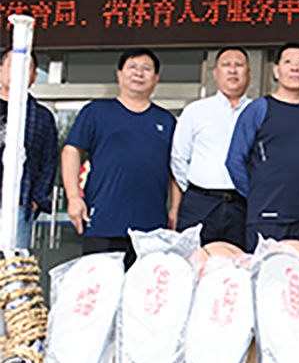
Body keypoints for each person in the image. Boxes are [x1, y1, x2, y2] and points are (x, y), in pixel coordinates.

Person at [62, 48, 178, 268]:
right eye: (132, 67)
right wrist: (73, 197)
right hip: (103, 222)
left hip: (151, 228)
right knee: (101, 286)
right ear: (119, 74)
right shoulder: (96, 111)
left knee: (145, 288)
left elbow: (175, 170)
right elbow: (71, 151)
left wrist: (175, 208)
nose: (139, 73)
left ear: (156, 78)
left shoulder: (166, 120)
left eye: (146, 69)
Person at [226, 42, 299, 252]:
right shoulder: (258, 109)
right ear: (276, 71)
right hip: (266, 216)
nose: (294, 67)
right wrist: (257, 194)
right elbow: (234, 161)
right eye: (288, 62)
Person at [171, 47, 251, 249]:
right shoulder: (196, 111)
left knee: (239, 261)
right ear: (215, 73)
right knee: (193, 260)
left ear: (249, 73)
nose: (232, 70)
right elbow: (179, 157)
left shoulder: (258, 111)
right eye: (226, 65)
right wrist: (196, 189)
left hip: (243, 204)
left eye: (239, 65)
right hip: (200, 203)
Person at [0, 48, 58, 250]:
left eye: (26, 68)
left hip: (17, 206)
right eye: (12, 65)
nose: (18, 71)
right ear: (1, 70)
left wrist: (35, 201)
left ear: (34, 77)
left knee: (13, 266)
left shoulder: (42, 117)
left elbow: (49, 163)